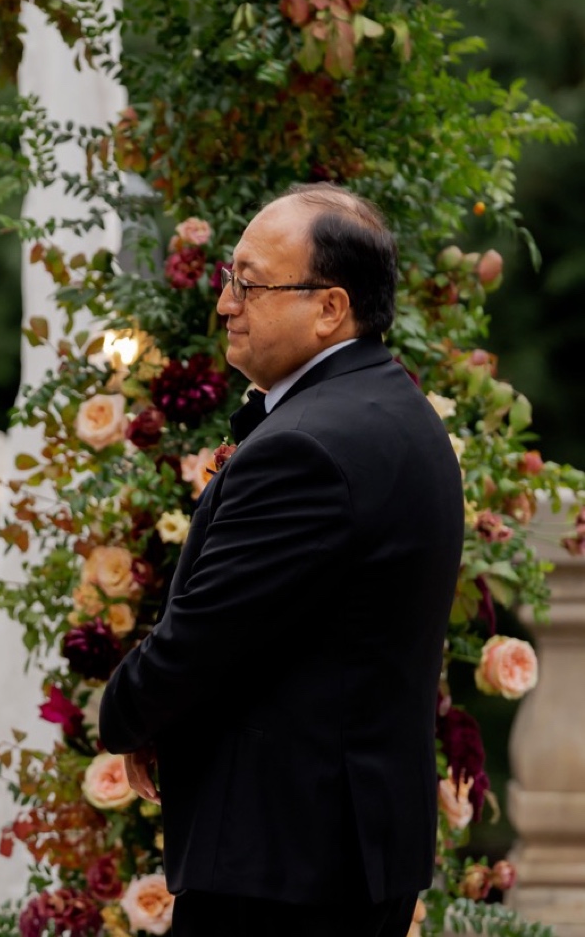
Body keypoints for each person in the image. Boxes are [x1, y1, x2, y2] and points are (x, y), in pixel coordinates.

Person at [98, 183, 464, 937]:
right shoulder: (395, 407)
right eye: (228, 280)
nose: (226, 304)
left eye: (249, 283)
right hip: (345, 847)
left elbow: (205, 637)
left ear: (330, 307)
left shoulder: (309, 447)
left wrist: (126, 711)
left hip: (284, 861)